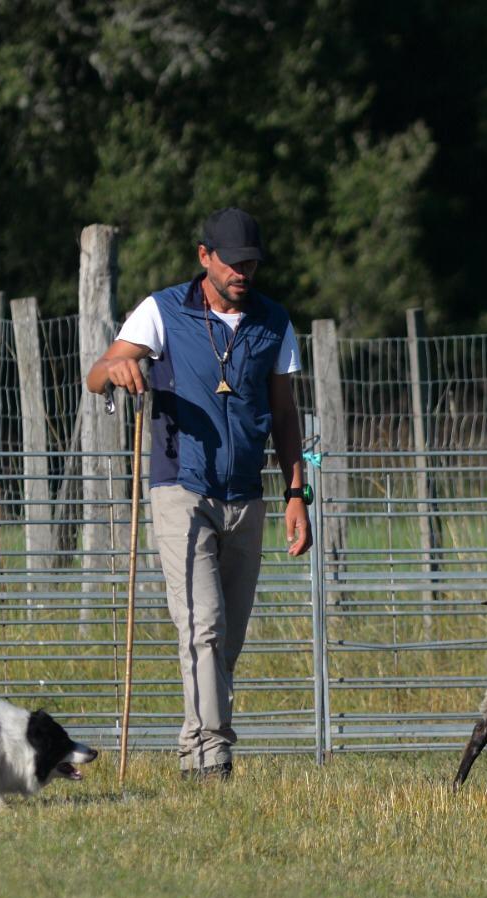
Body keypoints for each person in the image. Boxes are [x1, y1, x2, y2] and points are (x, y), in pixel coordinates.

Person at [85, 206, 313, 780]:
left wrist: (296, 493)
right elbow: (100, 369)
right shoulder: (162, 310)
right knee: (203, 625)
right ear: (204, 256)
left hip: (248, 495)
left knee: (225, 640)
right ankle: (215, 755)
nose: (243, 272)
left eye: (252, 263)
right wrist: (116, 371)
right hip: (180, 488)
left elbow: (286, 415)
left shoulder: (274, 322)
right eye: (233, 262)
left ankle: (193, 747)